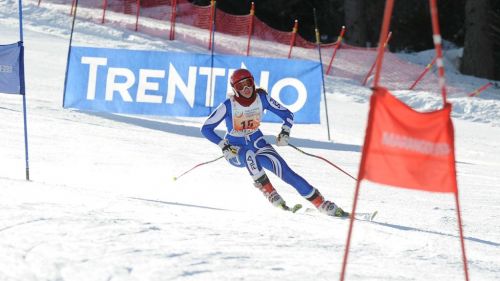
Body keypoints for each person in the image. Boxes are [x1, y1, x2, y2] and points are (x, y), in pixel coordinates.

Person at [200, 69, 346, 217]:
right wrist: (223, 145)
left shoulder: (262, 98)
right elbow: (206, 129)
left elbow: (287, 114)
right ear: (234, 89)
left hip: (258, 143)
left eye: (248, 83)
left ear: (253, 82)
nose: (246, 89)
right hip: (235, 150)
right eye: (240, 86)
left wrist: (285, 131)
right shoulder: (228, 105)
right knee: (248, 154)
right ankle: (270, 192)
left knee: (286, 172)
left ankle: (320, 202)